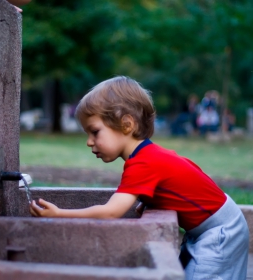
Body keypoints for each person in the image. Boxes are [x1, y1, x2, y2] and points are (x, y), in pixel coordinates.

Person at [30, 76, 249, 280]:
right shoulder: (149, 155)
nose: (89, 142)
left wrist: (59, 214)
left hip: (219, 231)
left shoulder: (143, 163)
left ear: (127, 124)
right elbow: (181, 179)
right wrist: (150, 198)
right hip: (217, 223)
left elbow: (110, 212)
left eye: (95, 132)